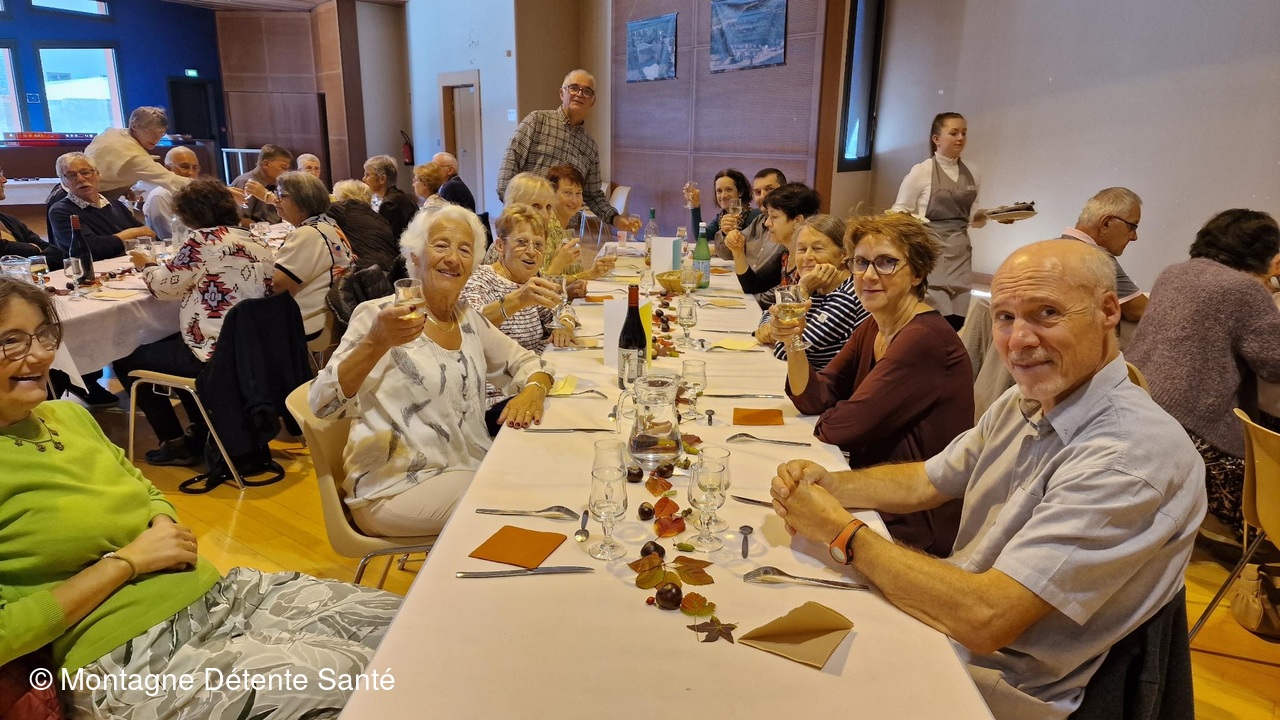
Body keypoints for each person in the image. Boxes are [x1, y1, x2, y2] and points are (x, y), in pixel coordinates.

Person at [771, 239, 1205, 720]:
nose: (1018, 340)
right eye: (1004, 317)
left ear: (1107, 311)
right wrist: (829, 486)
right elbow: (929, 480)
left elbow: (986, 619)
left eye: (1046, 313)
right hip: (949, 626)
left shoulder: (1127, 456)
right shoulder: (1030, 398)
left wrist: (840, 532)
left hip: (998, 683)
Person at [0, 277, 402, 718]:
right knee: (365, 678)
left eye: (42, 334)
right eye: (11, 341)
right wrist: (129, 562)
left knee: (407, 625)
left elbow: (143, 487)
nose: (39, 355)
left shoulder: (68, 416)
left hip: (221, 596)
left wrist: (161, 524)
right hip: (129, 658)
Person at [309, 204, 555, 537]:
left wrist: (534, 390)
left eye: (464, 250)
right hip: (393, 488)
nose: (453, 258)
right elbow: (323, 403)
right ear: (415, 254)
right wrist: (375, 343)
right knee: (523, 505)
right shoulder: (378, 316)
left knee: (543, 476)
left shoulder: (466, 319)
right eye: (441, 245)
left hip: (464, 468)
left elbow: (527, 362)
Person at [780, 213, 968, 555]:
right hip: (870, 490)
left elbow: (838, 428)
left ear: (917, 273)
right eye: (861, 262)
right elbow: (815, 398)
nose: (868, 275)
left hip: (910, 521)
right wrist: (794, 339)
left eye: (886, 262)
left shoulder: (924, 340)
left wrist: (837, 412)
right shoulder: (874, 326)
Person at [1128, 209, 1280, 543]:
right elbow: (1274, 364)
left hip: (1139, 408)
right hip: (1191, 429)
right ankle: (1250, 534)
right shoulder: (1244, 290)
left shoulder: (1174, 273)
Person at [113, 180, 274, 467]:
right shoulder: (253, 239)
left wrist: (146, 264)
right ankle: (200, 429)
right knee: (168, 342)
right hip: (246, 347)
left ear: (189, 215)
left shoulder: (202, 241)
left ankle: (174, 442)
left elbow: (163, 287)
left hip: (211, 350)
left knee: (125, 357)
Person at [461, 204, 577, 434]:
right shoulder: (481, 279)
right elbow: (470, 324)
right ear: (500, 246)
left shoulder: (530, 280)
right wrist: (517, 300)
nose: (531, 251)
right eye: (522, 242)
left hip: (534, 383)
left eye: (538, 245)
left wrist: (565, 324)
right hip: (495, 401)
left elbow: (562, 307)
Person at [496, 69, 641, 235]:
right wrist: (518, 216)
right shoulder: (536, 122)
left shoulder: (589, 146)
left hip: (563, 231)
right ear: (561, 93)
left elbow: (593, 195)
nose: (579, 94)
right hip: (526, 226)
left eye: (587, 91)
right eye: (574, 88)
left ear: (592, 101)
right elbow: (508, 172)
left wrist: (616, 219)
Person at [891, 112, 989, 329]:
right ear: (936, 139)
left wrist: (991, 216)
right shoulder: (922, 171)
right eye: (953, 133)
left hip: (960, 250)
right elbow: (899, 210)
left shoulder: (973, 171)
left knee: (958, 318)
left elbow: (972, 214)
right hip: (931, 249)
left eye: (964, 133)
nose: (960, 138)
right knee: (935, 317)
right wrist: (918, 223)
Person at [754, 215, 868, 370]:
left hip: (825, 382)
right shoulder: (817, 286)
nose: (807, 257)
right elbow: (769, 312)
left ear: (844, 254)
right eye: (801, 249)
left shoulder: (847, 297)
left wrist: (802, 289)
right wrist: (772, 327)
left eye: (817, 249)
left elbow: (786, 350)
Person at [272, 171, 354, 341]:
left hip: (308, 322)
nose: (276, 200)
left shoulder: (309, 233)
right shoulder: (328, 223)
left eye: (281, 194)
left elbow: (278, 285)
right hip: (330, 317)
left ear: (302, 199)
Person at [1061, 187, 1146, 323]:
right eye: (1132, 227)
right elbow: (1141, 311)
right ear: (1106, 223)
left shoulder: (1045, 250)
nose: (1134, 237)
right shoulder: (1097, 258)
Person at [48, 153, 155, 259]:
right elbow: (92, 248)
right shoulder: (60, 211)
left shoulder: (116, 204)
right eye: (72, 175)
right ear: (64, 182)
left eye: (85, 172)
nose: (80, 179)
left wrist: (135, 234)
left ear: (97, 175)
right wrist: (133, 233)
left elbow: (147, 234)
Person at [731, 182, 819, 309]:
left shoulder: (809, 262)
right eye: (768, 216)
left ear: (797, 221)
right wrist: (737, 251)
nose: (767, 223)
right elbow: (753, 285)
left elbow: (791, 307)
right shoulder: (786, 255)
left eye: (774, 217)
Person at [83, 106, 191, 197]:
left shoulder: (112, 132)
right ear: (134, 126)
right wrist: (201, 186)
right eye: (152, 132)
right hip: (89, 200)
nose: (157, 138)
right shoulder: (131, 155)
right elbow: (171, 181)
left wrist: (124, 189)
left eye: (161, 133)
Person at [545, 163, 615, 281]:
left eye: (578, 193)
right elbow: (546, 280)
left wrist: (594, 271)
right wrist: (589, 274)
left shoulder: (566, 229)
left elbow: (570, 275)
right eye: (567, 193)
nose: (574, 200)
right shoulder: (546, 229)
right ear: (552, 194)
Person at [329, 179, 398, 272]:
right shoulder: (378, 218)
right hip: (390, 270)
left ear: (343, 196)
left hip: (366, 271)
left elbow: (314, 207)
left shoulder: (344, 209)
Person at [0, 167, 63, 269]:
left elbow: (55, 252)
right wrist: (32, 249)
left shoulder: (10, 221)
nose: (4, 180)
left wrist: (26, 263)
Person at [142, 146, 202, 239]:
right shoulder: (160, 196)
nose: (191, 172)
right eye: (184, 167)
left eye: (195, 168)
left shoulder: (197, 194)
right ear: (168, 168)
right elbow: (168, 237)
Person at [230, 144, 293, 225]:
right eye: (283, 167)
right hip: (256, 231)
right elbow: (241, 220)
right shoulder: (246, 182)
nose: (287, 172)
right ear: (265, 164)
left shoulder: (279, 183)